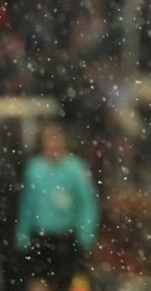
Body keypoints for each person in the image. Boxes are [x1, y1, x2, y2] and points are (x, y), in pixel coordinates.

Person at [14, 120, 100, 291]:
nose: (52, 144)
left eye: (56, 138)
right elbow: (27, 204)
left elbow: (87, 204)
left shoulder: (75, 168)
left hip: (67, 239)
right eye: (48, 139)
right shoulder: (34, 168)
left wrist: (85, 235)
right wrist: (22, 233)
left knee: (72, 283)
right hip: (41, 237)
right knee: (38, 283)